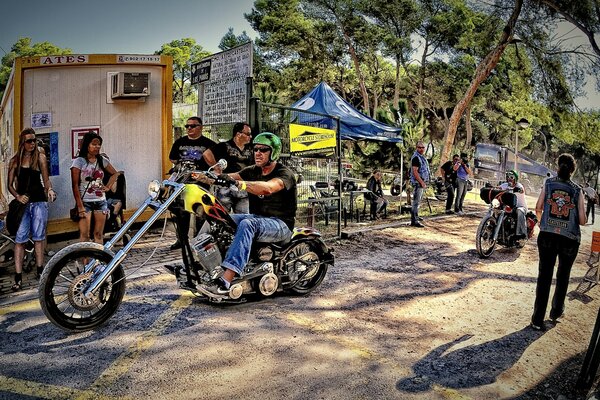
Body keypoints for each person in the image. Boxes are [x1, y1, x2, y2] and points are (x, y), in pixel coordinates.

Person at [201, 132, 297, 294]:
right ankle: (206, 264)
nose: (257, 153)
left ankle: (227, 279)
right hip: (258, 218)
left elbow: (268, 188)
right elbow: (225, 177)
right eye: (255, 149)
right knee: (219, 218)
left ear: (273, 152)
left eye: (263, 150)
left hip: (281, 224)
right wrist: (203, 176)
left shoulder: (284, 173)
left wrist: (240, 184)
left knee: (247, 224)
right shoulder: (252, 170)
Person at [530, 153, 586, 331]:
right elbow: (583, 220)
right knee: (563, 276)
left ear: (557, 167)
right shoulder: (577, 190)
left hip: (547, 235)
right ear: (572, 171)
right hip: (569, 239)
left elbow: (538, 208)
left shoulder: (548, 184)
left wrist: (542, 222)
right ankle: (555, 312)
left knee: (544, 276)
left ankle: (537, 320)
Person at [7, 128, 56, 290]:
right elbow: (9, 185)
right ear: (22, 142)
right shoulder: (15, 161)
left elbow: (46, 180)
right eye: (29, 141)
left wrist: (49, 190)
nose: (32, 143)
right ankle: (18, 276)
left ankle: (41, 270)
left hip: (39, 202)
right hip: (23, 205)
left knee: (39, 238)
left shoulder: (40, 157)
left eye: (34, 140)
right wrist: (18, 196)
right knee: (20, 239)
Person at [168, 116, 217, 250]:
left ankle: (199, 241)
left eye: (193, 126)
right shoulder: (179, 142)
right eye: (187, 126)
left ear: (200, 127)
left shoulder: (210, 144)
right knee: (181, 212)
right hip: (183, 182)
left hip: (201, 183)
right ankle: (182, 240)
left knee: (200, 213)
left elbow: (215, 164)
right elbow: (172, 158)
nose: (189, 128)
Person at [71, 131, 120, 244]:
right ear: (87, 145)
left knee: (98, 234)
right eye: (94, 144)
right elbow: (75, 185)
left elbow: (115, 173)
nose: (97, 147)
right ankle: (86, 261)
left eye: (99, 144)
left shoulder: (102, 160)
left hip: (100, 200)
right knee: (85, 235)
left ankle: (98, 260)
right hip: (85, 202)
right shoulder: (79, 162)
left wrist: (108, 187)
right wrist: (79, 206)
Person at [202, 122, 253, 213]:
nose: (250, 136)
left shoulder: (251, 148)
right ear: (238, 134)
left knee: (243, 218)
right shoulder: (224, 146)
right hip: (225, 186)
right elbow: (207, 154)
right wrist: (216, 167)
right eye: (248, 134)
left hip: (242, 187)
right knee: (221, 216)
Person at [499, 170, 528, 238]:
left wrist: (518, 190)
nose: (509, 178)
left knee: (519, 211)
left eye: (511, 177)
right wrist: (491, 187)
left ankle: (521, 234)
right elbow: (498, 188)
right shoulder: (505, 185)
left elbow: (521, 190)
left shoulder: (519, 185)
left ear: (515, 179)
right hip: (509, 206)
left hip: (520, 206)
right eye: (508, 177)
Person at [409, 141, 430, 227]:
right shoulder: (416, 158)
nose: (421, 149)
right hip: (418, 183)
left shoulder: (421, 157)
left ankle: (416, 216)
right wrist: (421, 182)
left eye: (422, 148)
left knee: (418, 202)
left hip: (421, 182)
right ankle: (414, 221)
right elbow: (415, 172)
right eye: (419, 147)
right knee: (416, 202)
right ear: (416, 148)